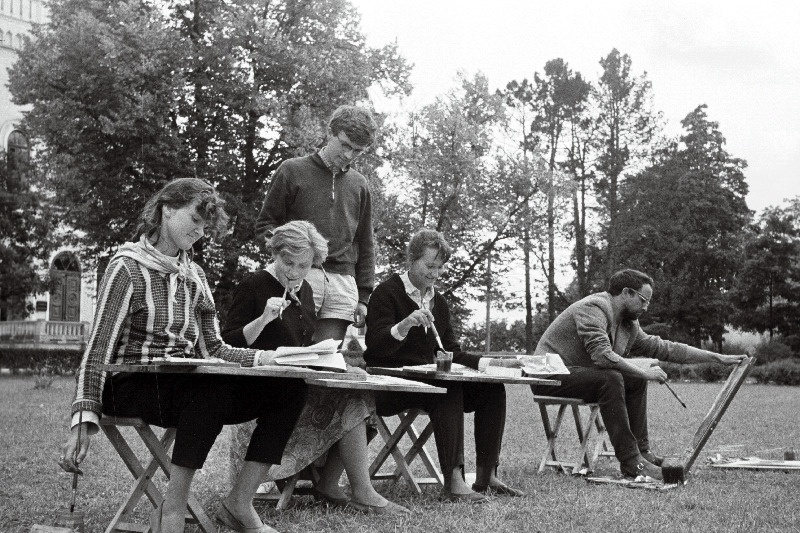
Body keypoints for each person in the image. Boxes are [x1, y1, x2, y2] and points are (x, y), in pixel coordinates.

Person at [59, 178, 308, 533]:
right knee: (208, 389)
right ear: (166, 209)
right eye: (195, 220)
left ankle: (240, 502)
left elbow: (214, 349)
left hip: (185, 385)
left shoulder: (196, 276)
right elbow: (99, 347)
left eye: (206, 226)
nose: (200, 232)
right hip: (131, 383)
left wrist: (267, 360)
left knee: (291, 389)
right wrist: (83, 417)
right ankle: (170, 512)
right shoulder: (126, 268)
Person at [222, 220, 409, 515]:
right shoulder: (253, 285)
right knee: (351, 405)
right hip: (261, 395)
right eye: (288, 262)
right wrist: (263, 321)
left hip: (295, 387)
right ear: (274, 253)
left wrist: (337, 365)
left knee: (359, 393)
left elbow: (303, 349)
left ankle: (337, 485)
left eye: (303, 265)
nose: (294, 272)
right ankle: (358, 491)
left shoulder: (305, 290)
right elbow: (228, 345)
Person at [530, 268, 747, 480]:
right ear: (626, 293)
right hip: (548, 376)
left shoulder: (628, 323)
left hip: (578, 374)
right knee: (611, 378)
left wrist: (718, 358)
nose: (646, 307)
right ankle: (632, 462)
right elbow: (602, 356)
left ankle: (643, 453)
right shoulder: (594, 307)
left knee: (631, 378)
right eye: (643, 300)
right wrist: (645, 372)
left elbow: (665, 348)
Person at [363, 229, 525, 503]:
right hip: (389, 384)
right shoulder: (386, 293)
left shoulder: (439, 302)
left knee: (491, 389)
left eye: (439, 267)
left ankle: (487, 476)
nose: (435, 274)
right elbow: (375, 347)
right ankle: (454, 480)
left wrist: (492, 363)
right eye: (429, 266)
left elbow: (451, 352)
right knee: (447, 388)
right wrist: (404, 325)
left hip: (427, 383)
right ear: (411, 260)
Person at [255, 105, 377, 345]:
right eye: (345, 145)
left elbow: (365, 242)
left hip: (343, 281)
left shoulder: (359, 184)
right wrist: (290, 259)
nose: (349, 155)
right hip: (300, 274)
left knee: (324, 360)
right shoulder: (292, 170)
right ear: (331, 132)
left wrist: (364, 297)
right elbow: (266, 225)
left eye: (358, 151)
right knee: (289, 351)